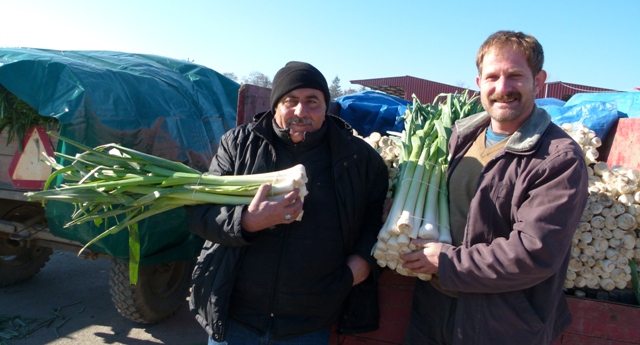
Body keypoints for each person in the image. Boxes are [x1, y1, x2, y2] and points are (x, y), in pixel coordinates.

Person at [399, 30, 589, 345]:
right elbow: (450, 206)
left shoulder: (558, 158)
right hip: (433, 308)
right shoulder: (461, 136)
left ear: (538, 80)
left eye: (515, 76)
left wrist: (447, 262)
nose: (502, 88)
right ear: (478, 84)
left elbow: (534, 253)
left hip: (499, 323)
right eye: (492, 77)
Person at [186, 61, 389, 345]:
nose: (300, 111)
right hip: (235, 316)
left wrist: (361, 265)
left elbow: (374, 222)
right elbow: (201, 213)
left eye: (312, 102)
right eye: (290, 101)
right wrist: (247, 221)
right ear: (275, 106)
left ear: (326, 106)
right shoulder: (239, 144)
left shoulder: (359, 159)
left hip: (308, 324)